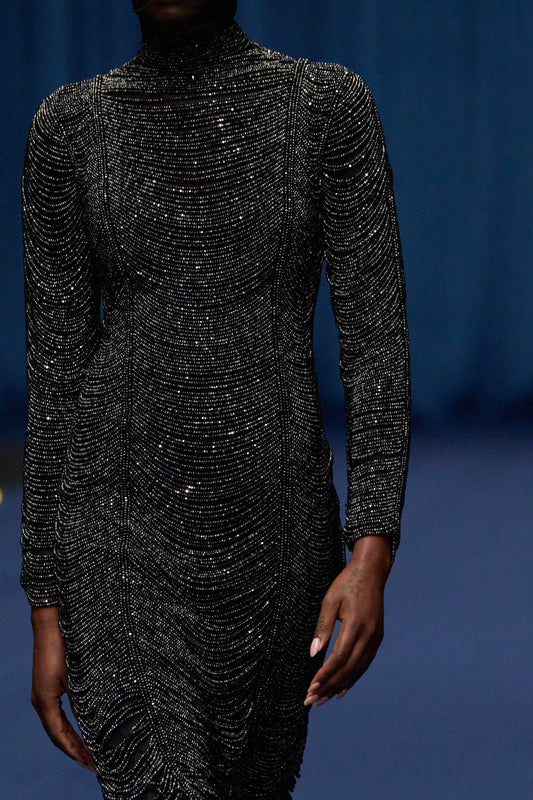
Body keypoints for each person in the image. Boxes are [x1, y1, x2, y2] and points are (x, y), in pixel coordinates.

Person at [20, 1, 411, 797]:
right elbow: (55, 371)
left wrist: (372, 550)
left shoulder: (326, 106)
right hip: (114, 533)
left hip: (277, 533)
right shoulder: (69, 127)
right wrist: (46, 599)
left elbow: (375, 341)